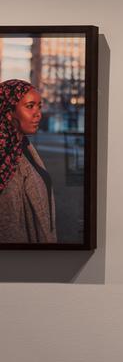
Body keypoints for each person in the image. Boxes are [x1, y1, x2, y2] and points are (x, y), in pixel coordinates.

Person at [0, 79, 56, 243]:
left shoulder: (23, 145)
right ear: (9, 112)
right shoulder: (4, 156)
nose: (38, 113)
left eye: (39, 106)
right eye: (30, 106)